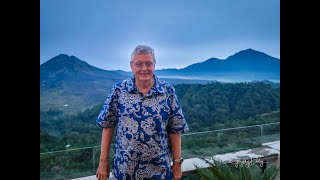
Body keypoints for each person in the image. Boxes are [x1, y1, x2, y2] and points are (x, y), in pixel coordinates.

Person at [95, 45, 189, 180]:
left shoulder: (167, 91)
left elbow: (175, 129)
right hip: (124, 171)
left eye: (148, 63)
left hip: (160, 172)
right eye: (139, 64)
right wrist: (103, 162)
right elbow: (107, 125)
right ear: (131, 66)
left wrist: (177, 164)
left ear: (154, 64)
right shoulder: (119, 90)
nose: (144, 68)